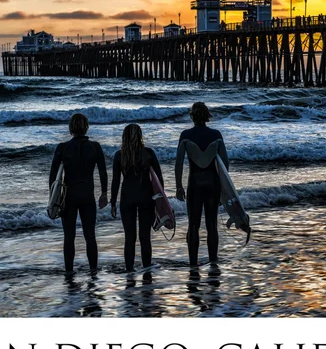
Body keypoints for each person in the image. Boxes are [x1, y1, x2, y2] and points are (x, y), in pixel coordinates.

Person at [49, 113, 108, 273]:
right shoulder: (95, 147)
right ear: (87, 127)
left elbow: (54, 175)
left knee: (69, 237)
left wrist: (52, 198)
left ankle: (69, 271)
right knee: (90, 236)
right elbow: (103, 172)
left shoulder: (63, 147)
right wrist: (104, 193)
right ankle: (93, 271)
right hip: (87, 195)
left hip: (69, 196)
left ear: (70, 128)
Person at [175, 102, 229, 266]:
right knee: (212, 224)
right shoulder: (216, 134)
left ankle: (193, 264)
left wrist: (178, 186)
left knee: (193, 225)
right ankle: (213, 261)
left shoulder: (185, 135)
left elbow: (178, 163)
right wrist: (224, 190)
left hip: (195, 182)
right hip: (213, 182)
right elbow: (225, 165)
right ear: (207, 116)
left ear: (192, 116)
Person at [110, 124, 164, 272]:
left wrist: (113, 202)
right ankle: (146, 268)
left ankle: (129, 270)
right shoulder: (148, 153)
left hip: (127, 198)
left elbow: (115, 181)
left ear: (124, 137)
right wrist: (161, 201)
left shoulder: (119, 155)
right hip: (146, 197)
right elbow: (159, 179)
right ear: (140, 135)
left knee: (129, 237)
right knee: (145, 236)